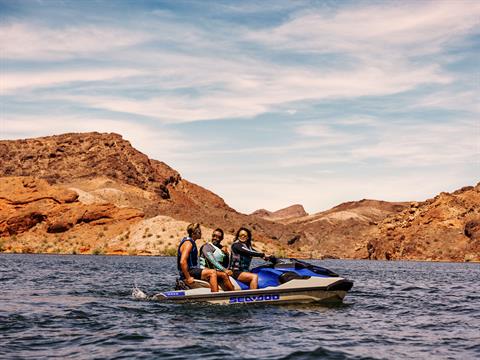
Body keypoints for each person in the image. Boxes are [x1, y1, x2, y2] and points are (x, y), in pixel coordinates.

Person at [177, 223, 231, 292]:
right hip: (189, 271)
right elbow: (182, 261)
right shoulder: (189, 243)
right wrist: (188, 278)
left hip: (192, 270)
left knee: (222, 274)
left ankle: (231, 293)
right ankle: (215, 296)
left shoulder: (190, 242)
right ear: (194, 233)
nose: (201, 233)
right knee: (212, 272)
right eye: (199, 232)